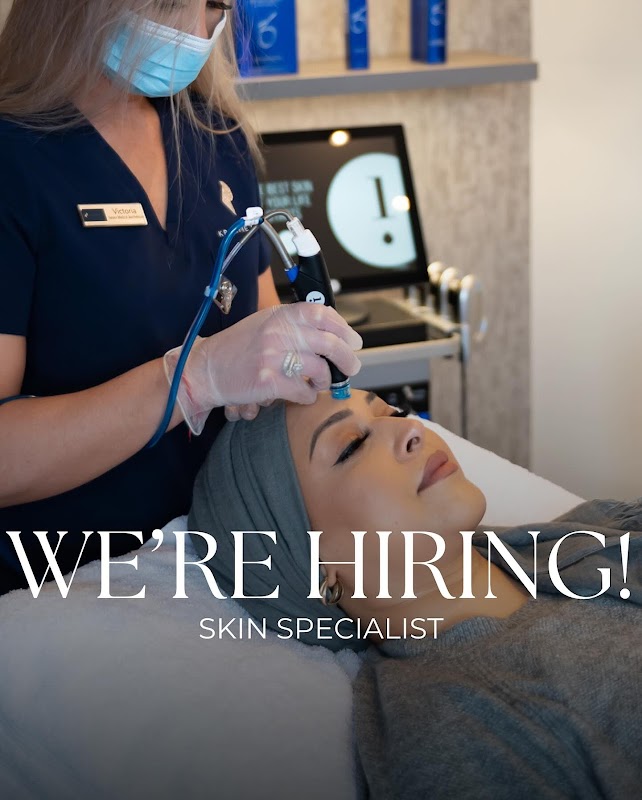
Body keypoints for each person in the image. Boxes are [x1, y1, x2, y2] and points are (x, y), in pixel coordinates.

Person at [0, 0, 363, 594]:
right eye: (171, 2)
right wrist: (195, 378)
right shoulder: (14, 159)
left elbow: (269, 341)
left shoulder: (216, 140)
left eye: (216, 5)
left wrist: (321, 392)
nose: (199, 31)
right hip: (58, 581)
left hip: (217, 564)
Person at [189, 390, 642, 799]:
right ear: (315, 568)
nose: (412, 430)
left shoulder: (589, 533)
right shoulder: (454, 731)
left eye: (391, 413)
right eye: (352, 445)